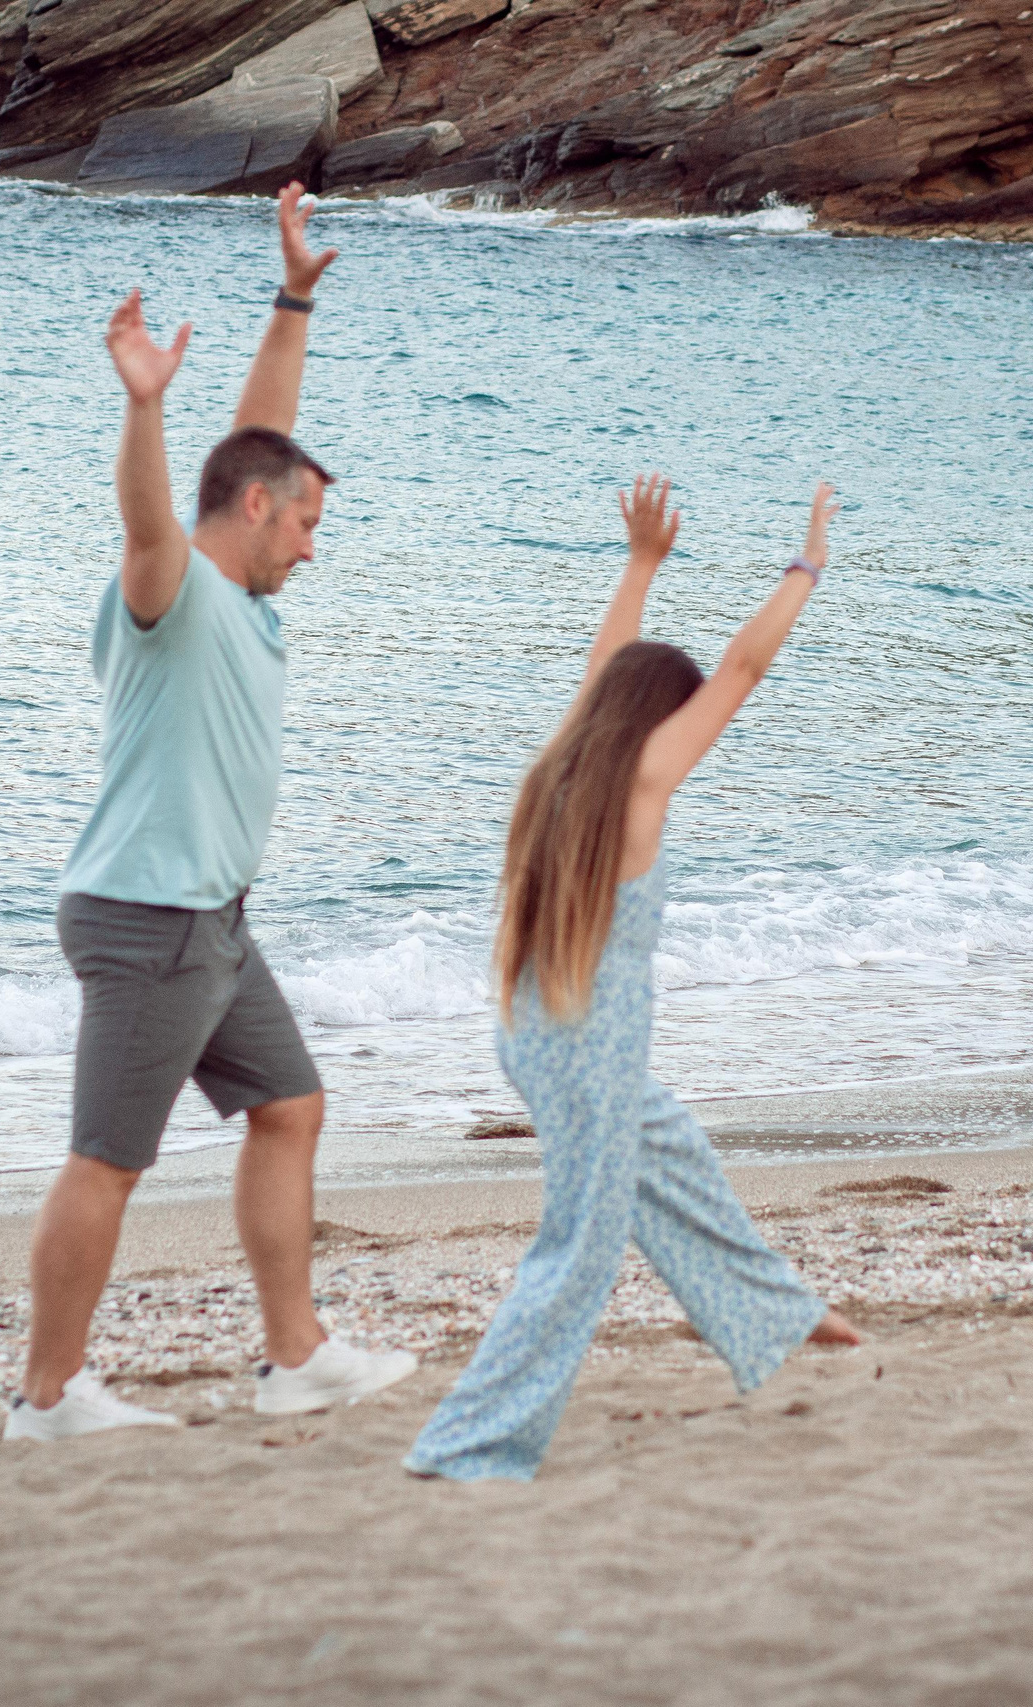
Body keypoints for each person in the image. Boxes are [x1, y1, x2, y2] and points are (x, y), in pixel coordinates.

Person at [7, 185, 417, 1442]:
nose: (312, 545)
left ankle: (296, 1355)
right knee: (108, 1160)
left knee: (289, 1107)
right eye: (306, 522)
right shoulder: (172, 590)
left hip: (212, 923)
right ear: (253, 513)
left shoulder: (244, 595)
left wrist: (293, 295)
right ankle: (49, 1397)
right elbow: (152, 514)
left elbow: (261, 435)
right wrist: (143, 404)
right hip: (150, 915)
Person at [404, 473, 865, 1482]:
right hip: (586, 1052)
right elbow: (742, 668)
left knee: (677, 1151)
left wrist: (642, 564)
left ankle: (776, 1312)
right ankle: (466, 1440)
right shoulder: (644, 786)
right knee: (578, 1254)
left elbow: (605, 667)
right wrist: (808, 562)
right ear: (659, 723)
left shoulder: (567, 766)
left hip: (539, 1036)